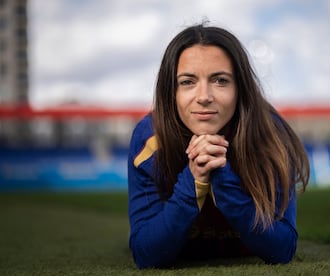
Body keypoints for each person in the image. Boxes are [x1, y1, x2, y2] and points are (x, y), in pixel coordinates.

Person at [128, 23, 310, 269]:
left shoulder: (270, 135)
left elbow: (282, 248)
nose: (203, 96)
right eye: (187, 82)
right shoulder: (149, 138)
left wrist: (222, 176)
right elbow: (145, 254)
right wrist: (194, 180)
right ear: (171, 91)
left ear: (240, 88)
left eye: (220, 80)